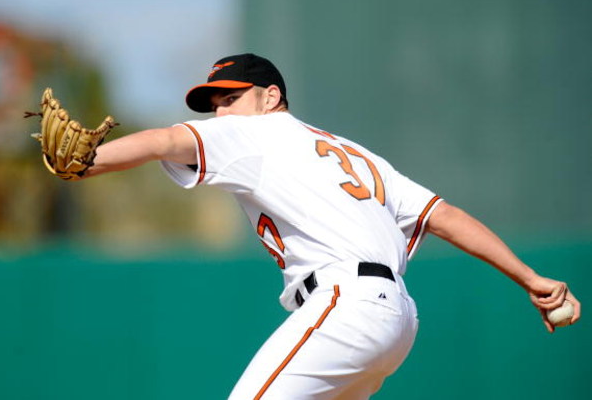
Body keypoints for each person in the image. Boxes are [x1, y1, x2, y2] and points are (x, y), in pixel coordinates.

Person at [77, 53, 579, 399]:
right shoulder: (355, 154)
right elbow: (444, 217)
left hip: (347, 306)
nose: (221, 111)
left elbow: (165, 141)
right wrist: (532, 279)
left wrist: (87, 159)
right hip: (397, 318)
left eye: (230, 97)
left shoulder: (254, 133)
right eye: (215, 104)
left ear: (271, 96)